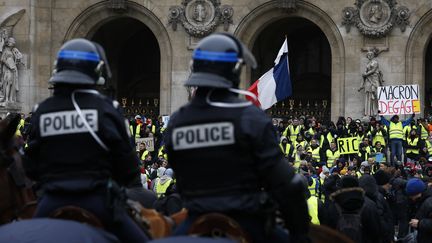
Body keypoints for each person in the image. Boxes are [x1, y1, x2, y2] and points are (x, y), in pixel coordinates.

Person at [165, 33, 309, 242]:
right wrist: (300, 235)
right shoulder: (250, 116)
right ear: (234, 71)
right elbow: (289, 185)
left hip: (194, 220)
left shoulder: (177, 121)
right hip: (246, 223)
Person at [22, 38, 149, 242]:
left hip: (51, 201)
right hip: (98, 202)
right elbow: (128, 167)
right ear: (96, 71)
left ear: (58, 69)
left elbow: (30, 166)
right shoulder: (108, 108)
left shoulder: (41, 110)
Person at [406, 178, 432, 243]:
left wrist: (419, 223)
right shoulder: (420, 200)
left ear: (419, 193)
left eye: (412, 196)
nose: (411, 198)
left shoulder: (429, 202)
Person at [358, 50, 384, 116]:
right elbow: (366, 71)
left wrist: (366, 74)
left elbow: (373, 70)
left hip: (374, 79)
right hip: (369, 80)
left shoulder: (375, 62)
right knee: (368, 94)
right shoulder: (368, 64)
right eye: (368, 55)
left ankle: (375, 111)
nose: (369, 56)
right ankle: (368, 112)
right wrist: (364, 74)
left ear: (373, 56)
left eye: (370, 55)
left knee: (375, 94)